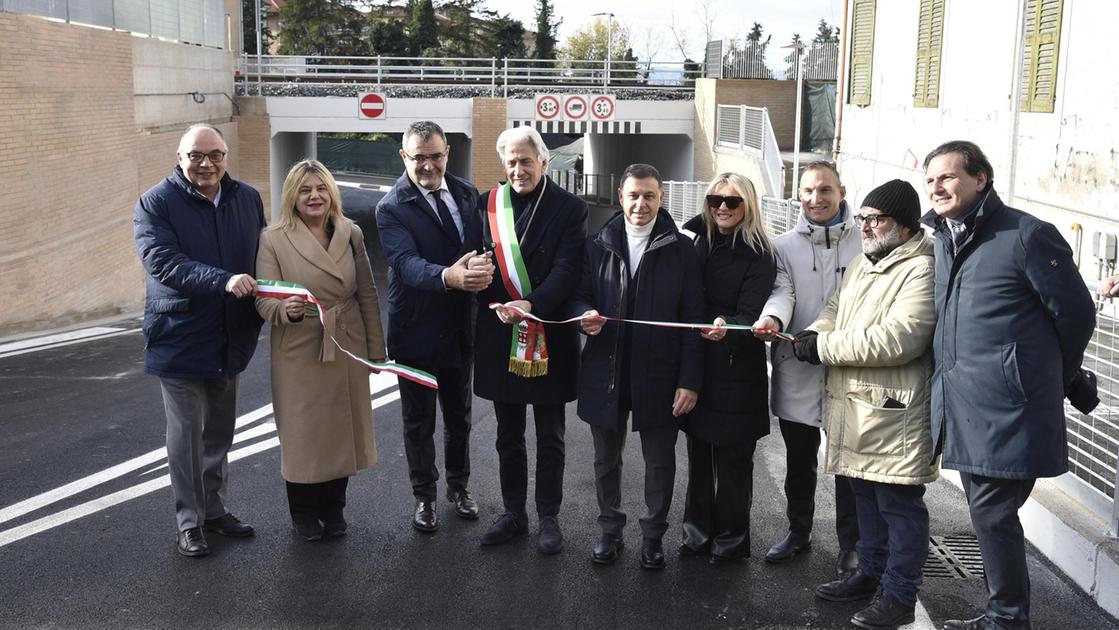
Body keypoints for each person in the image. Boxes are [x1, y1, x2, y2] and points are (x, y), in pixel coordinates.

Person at [921, 141, 1096, 630]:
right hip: (964, 403)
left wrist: (1058, 377)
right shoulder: (943, 235)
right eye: (930, 178)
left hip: (1009, 407)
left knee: (993, 514)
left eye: (948, 177)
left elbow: (1077, 313)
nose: (936, 186)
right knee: (988, 514)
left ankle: (1006, 618)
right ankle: (1004, 615)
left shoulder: (1027, 235)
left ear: (981, 179)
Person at [794, 179, 938, 630]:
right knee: (865, 497)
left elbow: (900, 338)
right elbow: (834, 308)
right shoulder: (864, 262)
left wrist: (825, 347)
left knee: (899, 504)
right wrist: (816, 332)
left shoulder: (921, 269)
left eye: (877, 220)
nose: (867, 227)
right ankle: (869, 573)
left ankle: (899, 596)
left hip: (894, 412)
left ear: (906, 224)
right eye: (864, 219)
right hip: (856, 407)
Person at [133, 123, 265, 558]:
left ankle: (214, 508)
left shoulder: (247, 198)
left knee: (220, 432)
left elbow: (261, 256)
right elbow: (163, 262)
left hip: (230, 335)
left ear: (226, 156)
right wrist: (223, 280)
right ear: (179, 156)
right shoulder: (156, 203)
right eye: (196, 155)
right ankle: (189, 521)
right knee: (187, 434)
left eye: (215, 155)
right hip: (180, 337)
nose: (207, 164)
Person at [572, 163, 705, 570]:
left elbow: (693, 320)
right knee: (605, 460)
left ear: (661, 198)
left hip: (660, 374)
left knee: (659, 462)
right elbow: (578, 295)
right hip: (606, 371)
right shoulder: (598, 243)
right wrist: (584, 314)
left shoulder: (681, 249)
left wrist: (689, 381)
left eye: (649, 195)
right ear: (621, 198)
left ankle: (652, 537)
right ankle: (609, 531)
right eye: (634, 195)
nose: (641, 204)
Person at [254, 160, 386, 541]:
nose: (314, 196)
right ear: (291, 196)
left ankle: (335, 508)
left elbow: (366, 292)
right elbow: (264, 300)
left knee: (341, 429)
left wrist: (376, 351)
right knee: (304, 433)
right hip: (299, 346)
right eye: (305, 189)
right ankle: (304, 514)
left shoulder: (351, 233)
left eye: (321, 188)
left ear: (332, 193)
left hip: (346, 340)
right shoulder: (273, 238)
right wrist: (285, 310)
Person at [376, 120, 493, 533]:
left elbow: (482, 246)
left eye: (436, 156)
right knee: (418, 421)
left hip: (461, 327)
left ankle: (459, 488)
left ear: (448, 154)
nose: (429, 165)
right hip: (416, 330)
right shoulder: (391, 207)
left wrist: (484, 264)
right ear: (404, 157)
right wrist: (451, 277)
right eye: (419, 157)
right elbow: (405, 264)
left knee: (459, 417)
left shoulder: (466, 193)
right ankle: (424, 496)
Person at [475, 127, 588, 554]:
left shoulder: (570, 208)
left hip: (549, 331)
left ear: (544, 162)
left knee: (551, 435)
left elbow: (567, 268)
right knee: (508, 433)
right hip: (500, 332)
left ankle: (548, 516)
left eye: (526, 161)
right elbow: (478, 260)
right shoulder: (487, 205)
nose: (518, 169)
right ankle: (512, 513)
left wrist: (532, 303)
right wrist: (481, 284)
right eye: (511, 162)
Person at [752, 161, 862, 576]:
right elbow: (782, 292)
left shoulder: (865, 242)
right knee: (800, 463)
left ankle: (852, 544)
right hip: (796, 366)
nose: (816, 199)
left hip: (850, 369)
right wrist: (774, 321)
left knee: (849, 466)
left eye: (825, 190)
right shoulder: (782, 246)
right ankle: (799, 532)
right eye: (808, 191)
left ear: (841, 191)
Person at [678, 173, 776, 565]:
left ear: (748, 206)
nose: (722, 207)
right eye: (716, 198)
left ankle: (732, 541)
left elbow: (750, 313)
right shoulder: (693, 240)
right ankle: (696, 534)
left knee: (734, 464)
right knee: (699, 457)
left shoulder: (761, 253)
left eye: (733, 202)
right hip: (699, 366)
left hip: (737, 370)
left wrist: (727, 328)